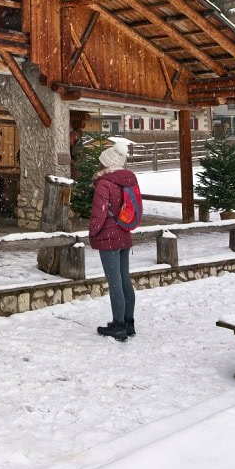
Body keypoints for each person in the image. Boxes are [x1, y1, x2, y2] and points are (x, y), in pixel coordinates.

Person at [88, 144, 139, 342]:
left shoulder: (104, 183)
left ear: (107, 163)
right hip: (124, 234)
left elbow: (98, 214)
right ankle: (128, 322)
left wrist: (92, 232)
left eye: (101, 161)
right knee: (124, 279)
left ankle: (118, 326)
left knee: (115, 282)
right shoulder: (128, 181)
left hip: (108, 238)